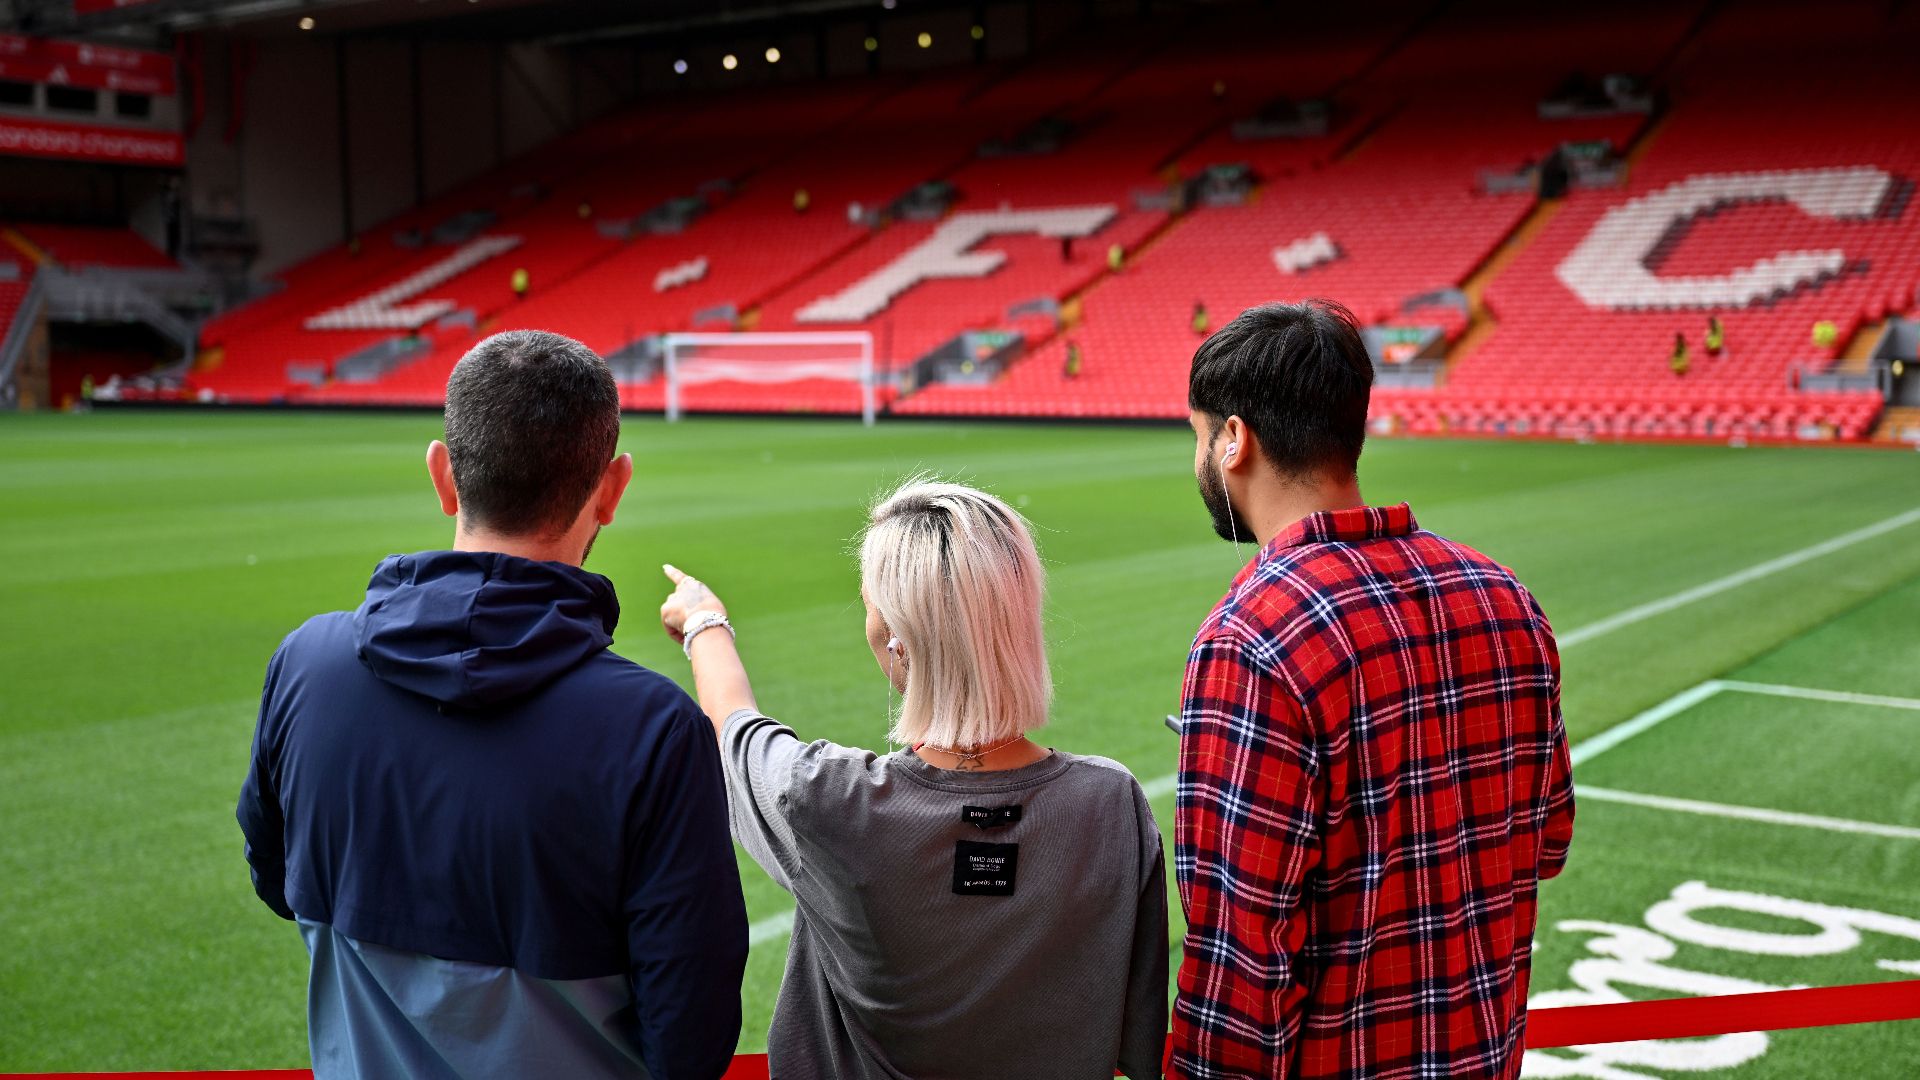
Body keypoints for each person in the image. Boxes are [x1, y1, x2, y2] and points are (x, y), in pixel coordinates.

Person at [237, 330, 748, 1080]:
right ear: (612, 489)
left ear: (443, 476)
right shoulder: (653, 730)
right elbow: (691, 1032)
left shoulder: (305, 665)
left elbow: (277, 880)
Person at [1172, 301, 1573, 1078]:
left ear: (1232, 439)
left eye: (1197, 436)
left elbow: (1239, 962)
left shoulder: (1253, 639)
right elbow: (1548, 840)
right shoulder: (1503, 597)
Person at [657, 480, 1168, 1080]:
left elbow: (735, 727)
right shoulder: (1112, 805)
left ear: (896, 636)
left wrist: (703, 621)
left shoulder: (828, 798)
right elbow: (1139, 1042)